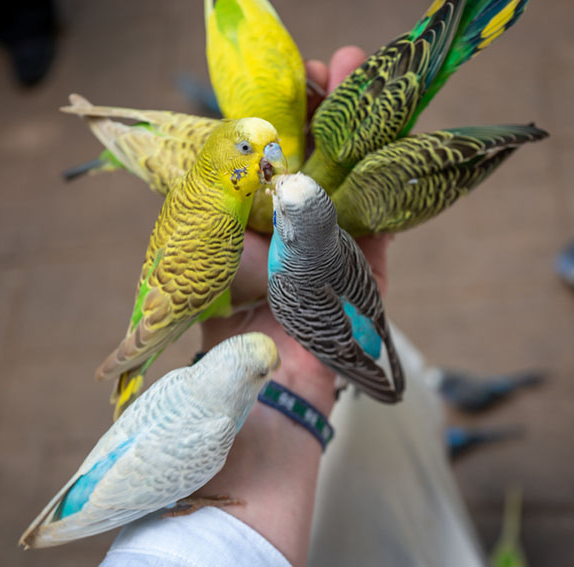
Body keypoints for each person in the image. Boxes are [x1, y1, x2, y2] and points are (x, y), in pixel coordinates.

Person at [100, 46, 485, 567]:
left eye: (281, 200)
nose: (273, 183)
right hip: (339, 337)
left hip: (338, 340)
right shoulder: (296, 258)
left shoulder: (287, 282)